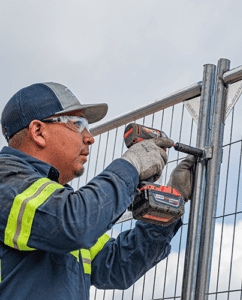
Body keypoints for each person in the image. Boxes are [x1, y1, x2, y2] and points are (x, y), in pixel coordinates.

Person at [0, 82, 196, 299]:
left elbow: (119, 266)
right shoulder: (5, 179)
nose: (89, 137)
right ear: (38, 131)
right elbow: (74, 223)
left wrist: (172, 199)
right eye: (77, 124)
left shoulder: (54, 205)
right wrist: (131, 166)